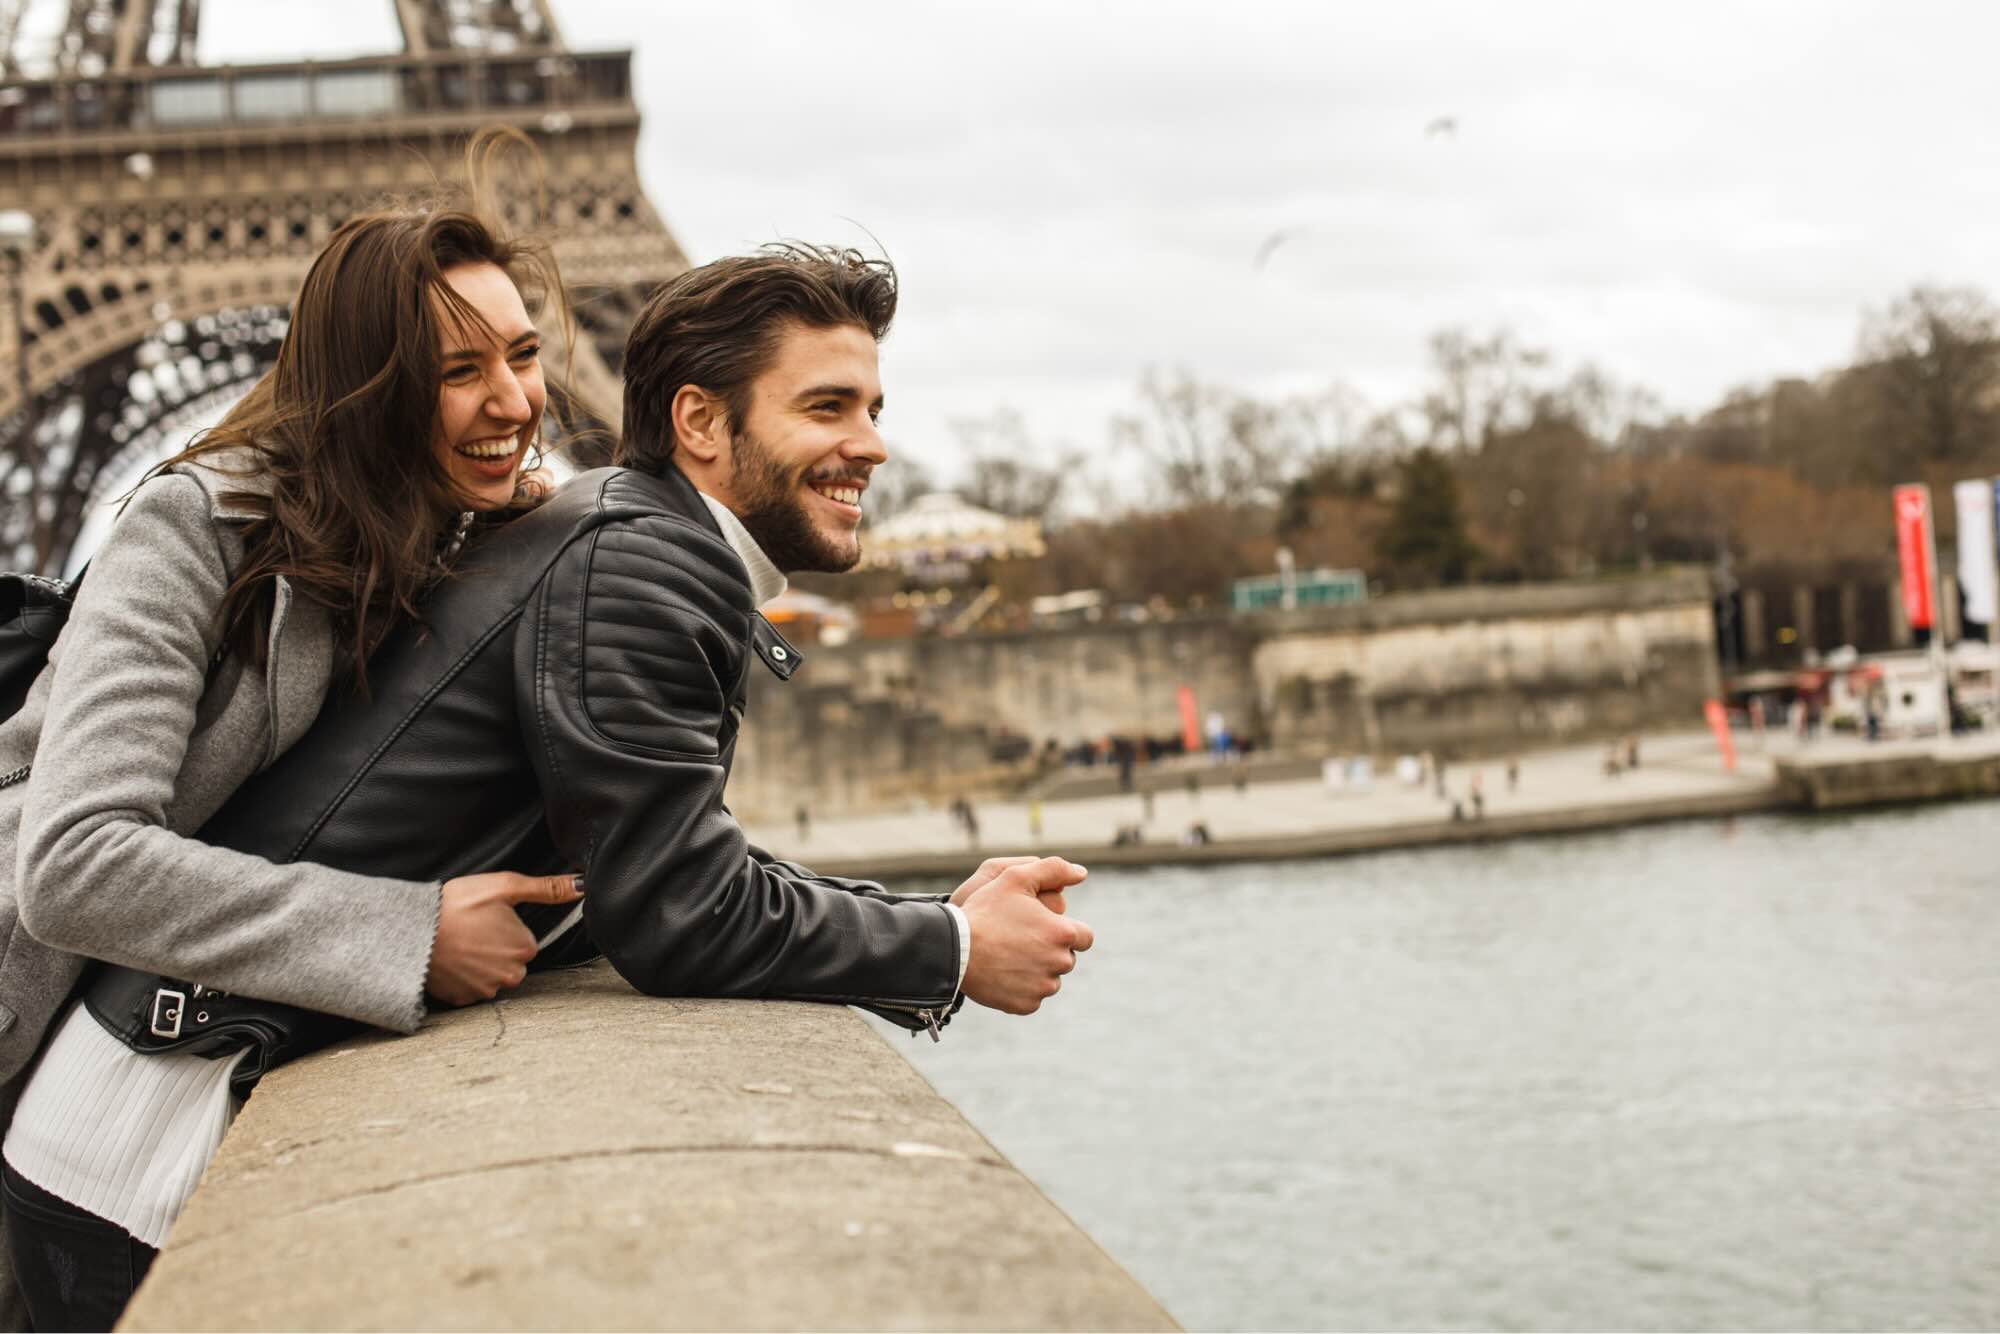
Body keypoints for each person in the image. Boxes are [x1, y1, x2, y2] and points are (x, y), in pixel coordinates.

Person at [107, 244, 1094, 1060]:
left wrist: (928, 915)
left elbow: (664, 858)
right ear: (700, 421)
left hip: (195, 1037)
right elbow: (682, 911)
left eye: (871, 409)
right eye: (827, 406)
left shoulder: (622, 530)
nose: (872, 443)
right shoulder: (637, 558)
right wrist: (954, 944)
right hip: (171, 1073)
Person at [0, 191, 580, 1329]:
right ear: (370, 383)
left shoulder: (477, 523)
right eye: (459, 370)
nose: (511, 401)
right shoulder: (194, 525)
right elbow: (72, 864)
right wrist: (402, 933)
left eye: (522, 354)